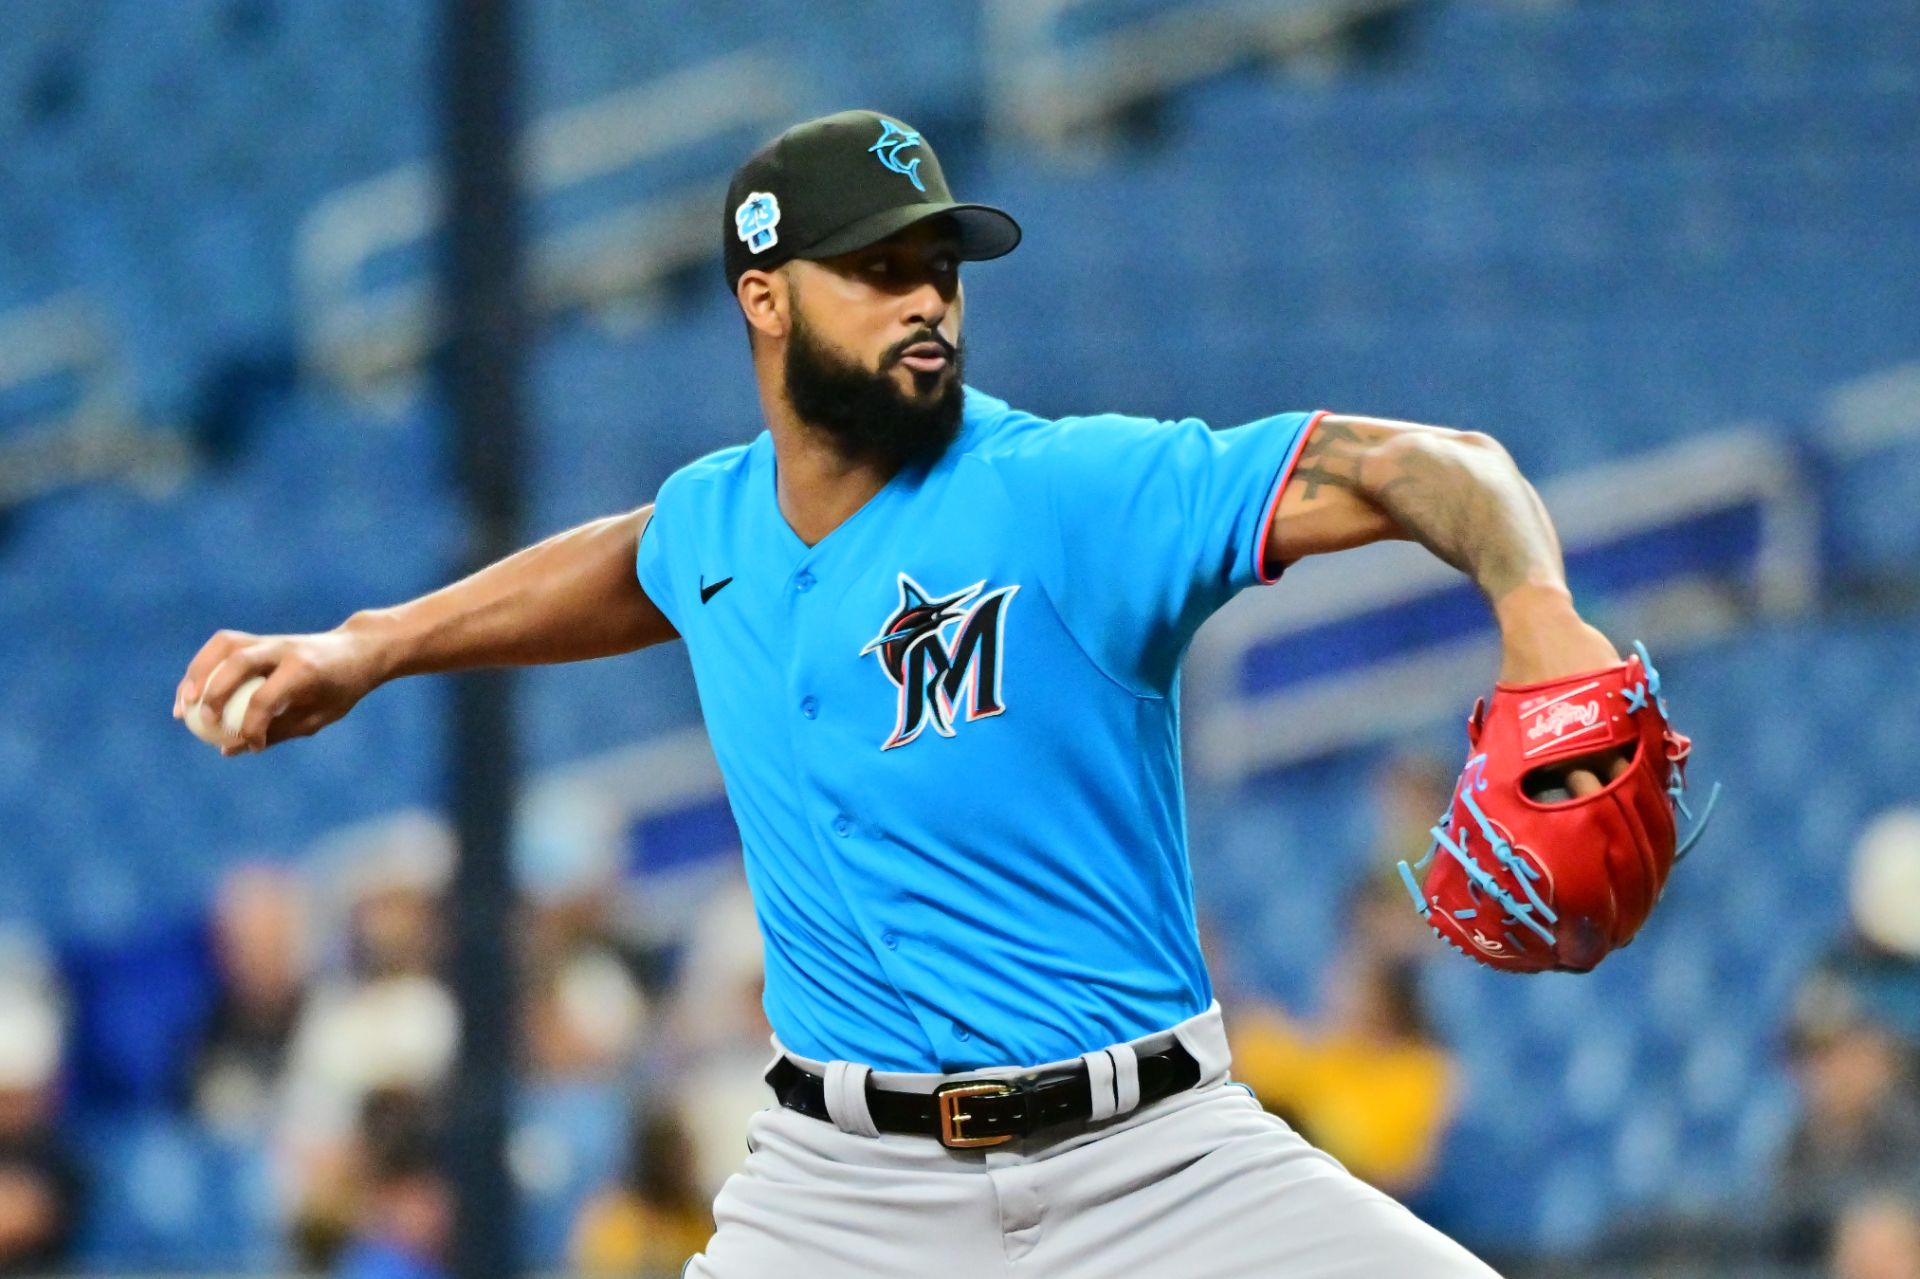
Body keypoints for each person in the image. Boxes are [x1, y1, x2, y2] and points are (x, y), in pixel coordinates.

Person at [176, 109, 1629, 1276]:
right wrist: (371, 645)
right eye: (879, 270)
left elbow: (1428, 466)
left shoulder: (1067, 491)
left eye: (940, 267)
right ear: (763, 296)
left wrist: (1537, 610)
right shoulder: (719, 523)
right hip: (839, 1194)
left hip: (1153, 1166)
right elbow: (636, 561)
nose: (926, 301)